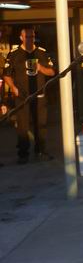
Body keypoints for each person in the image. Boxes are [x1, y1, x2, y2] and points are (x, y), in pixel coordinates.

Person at [3, 27, 56, 164]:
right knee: (22, 126)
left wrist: (40, 68)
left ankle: (41, 151)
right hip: (22, 96)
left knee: (41, 124)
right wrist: (13, 88)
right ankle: (23, 154)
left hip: (39, 94)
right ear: (21, 38)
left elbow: (52, 72)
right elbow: (6, 75)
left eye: (32, 37)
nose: (29, 39)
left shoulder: (41, 53)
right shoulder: (14, 54)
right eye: (26, 37)